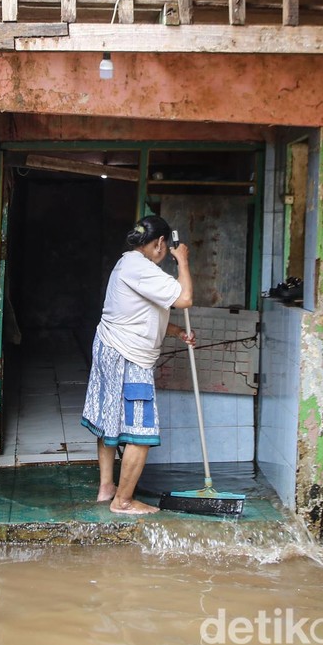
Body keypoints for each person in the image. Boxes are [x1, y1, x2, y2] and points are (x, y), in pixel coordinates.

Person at [81, 214, 194, 515]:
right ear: (159, 244)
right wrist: (182, 260)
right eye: (165, 248)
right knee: (141, 431)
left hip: (110, 347)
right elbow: (184, 299)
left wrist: (177, 332)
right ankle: (124, 501)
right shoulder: (141, 268)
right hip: (128, 356)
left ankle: (107, 487)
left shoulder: (127, 263)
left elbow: (138, 313)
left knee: (109, 420)